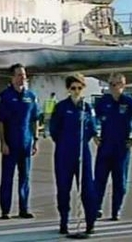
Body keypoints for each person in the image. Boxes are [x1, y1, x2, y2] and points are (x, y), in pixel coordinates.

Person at [50, 73, 98, 235]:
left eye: (79, 88)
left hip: (82, 153)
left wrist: (81, 143)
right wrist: (66, 144)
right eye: (73, 88)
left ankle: (90, 223)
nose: (76, 91)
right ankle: (63, 221)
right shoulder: (61, 107)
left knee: (87, 189)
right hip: (64, 154)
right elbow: (54, 131)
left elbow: (92, 129)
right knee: (63, 189)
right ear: (68, 89)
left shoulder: (87, 108)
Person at [94, 73, 132, 221]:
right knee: (99, 180)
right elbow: (91, 119)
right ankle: (96, 207)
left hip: (121, 148)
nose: (113, 87)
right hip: (105, 147)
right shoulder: (103, 102)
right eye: (111, 84)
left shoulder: (130, 102)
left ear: (123, 85)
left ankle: (116, 210)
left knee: (120, 182)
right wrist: (94, 135)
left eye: (116, 84)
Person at [0, 64, 40, 219]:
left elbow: (34, 119)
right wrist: (3, 142)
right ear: (13, 77)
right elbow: (0, 121)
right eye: (19, 75)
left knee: (25, 177)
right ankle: (5, 210)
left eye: (24, 75)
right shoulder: (5, 97)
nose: (23, 78)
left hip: (26, 143)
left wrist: (35, 140)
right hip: (10, 143)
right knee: (7, 177)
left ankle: (24, 208)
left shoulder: (31, 96)